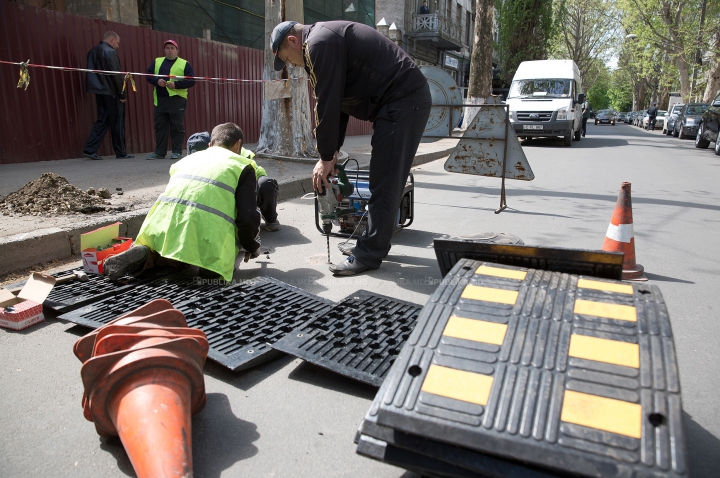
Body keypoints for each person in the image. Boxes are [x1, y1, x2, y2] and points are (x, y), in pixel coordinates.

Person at [271, 20, 431, 276]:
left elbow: (328, 102)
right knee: (385, 178)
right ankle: (373, 244)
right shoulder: (322, 42)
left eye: (287, 58)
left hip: (403, 100)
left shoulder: (318, 43)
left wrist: (324, 157)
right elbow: (341, 102)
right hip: (396, 102)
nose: (291, 65)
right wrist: (331, 152)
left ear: (292, 41)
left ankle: (369, 253)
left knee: (385, 179)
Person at [103, 123, 262, 281]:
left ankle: (147, 254)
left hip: (161, 229)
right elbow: (247, 218)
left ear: (210, 144)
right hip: (207, 237)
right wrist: (251, 246)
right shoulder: (242, 166)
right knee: (217, 262)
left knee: (166, 251)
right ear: (238, 144)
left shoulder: (186, 161)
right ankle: (210, 267)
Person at [187, 131, 281, 231]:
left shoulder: (235, 154)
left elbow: (258, 173)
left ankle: (269, 218)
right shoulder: (185, 169)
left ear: (211, 147)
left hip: (240, 193)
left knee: (265, 184)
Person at [82, 31, 133, 160]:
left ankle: (90, 149)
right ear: (111, 40)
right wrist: (122, 94)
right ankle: (120, 152)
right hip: (111, 92)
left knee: (103, 119)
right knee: (117, 122)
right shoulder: (110, 52)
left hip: (99, 91)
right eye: (117, 42)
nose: (118, 46)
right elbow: (116, 75)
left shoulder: (92, 52)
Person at [146, 40, 196, 160]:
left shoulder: (184, 64)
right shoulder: (157, 61)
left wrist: (176, 85)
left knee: (177, 126)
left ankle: (177, 152)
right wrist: (157, 81)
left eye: (172, 48)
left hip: (177, 99)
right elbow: (148, 75)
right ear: (164, 50)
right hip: (160, 99)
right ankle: (159, 152)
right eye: (167, 48)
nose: (170, 50)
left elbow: (192, 80)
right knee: (160, 126)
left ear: (177, 50)